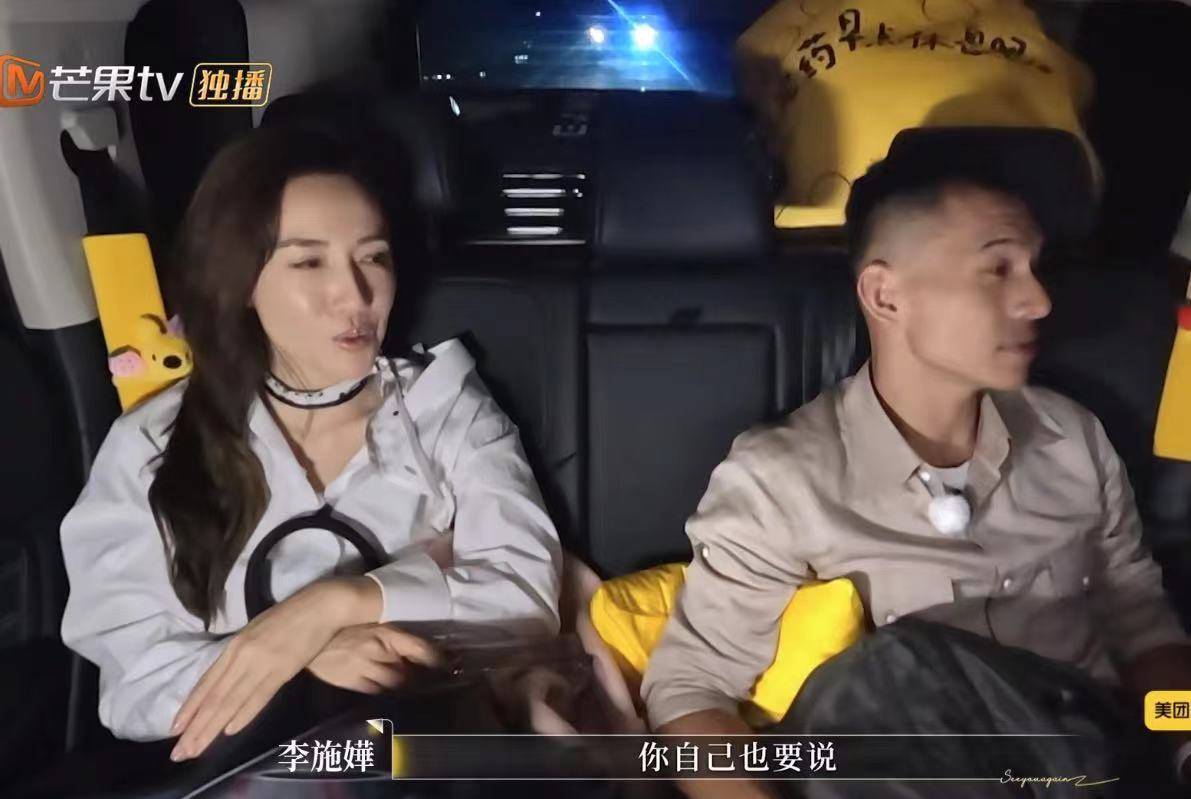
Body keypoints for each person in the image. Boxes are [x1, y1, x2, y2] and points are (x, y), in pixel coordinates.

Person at [641, 137, 1191, 797]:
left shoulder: (1071, 438)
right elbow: (689, 692)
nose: (1038, 299)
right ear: (885, 295)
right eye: (998, 269)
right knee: (896, 667)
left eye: (1034, 267)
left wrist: (1183, 739)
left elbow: (1141, 625)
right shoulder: (782, 480)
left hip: (1088, 767)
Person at [59, 128, 563, 763]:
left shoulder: (443, 407)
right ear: (243, 280)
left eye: (373, 257)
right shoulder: (153, 443)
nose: (356, 295)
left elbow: (525, 597)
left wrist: (338, 604)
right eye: (308, 262)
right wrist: (301, 664)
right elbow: (132, 682)